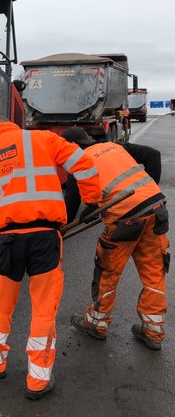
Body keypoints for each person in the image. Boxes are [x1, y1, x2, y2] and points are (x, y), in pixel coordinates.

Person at [0, 116, 102, 401]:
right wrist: (92, 201)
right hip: (45, 237)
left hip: (7, 238)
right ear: (12, 126)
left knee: (1, 305)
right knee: (43, 309)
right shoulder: (42, 139)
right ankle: (38, 381)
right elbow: (85, 163)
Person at [62, 126, 169, 351]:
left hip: (124, 221)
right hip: (155, 209)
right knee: (154, 271)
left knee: (107, 272)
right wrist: (147, 193)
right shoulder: (115, 146)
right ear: (88, 138)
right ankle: (153, 331)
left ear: (71, 148)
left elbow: (69, 211)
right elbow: (153, 155)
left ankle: (96, 324)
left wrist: (57, 231)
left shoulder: (79, 163)